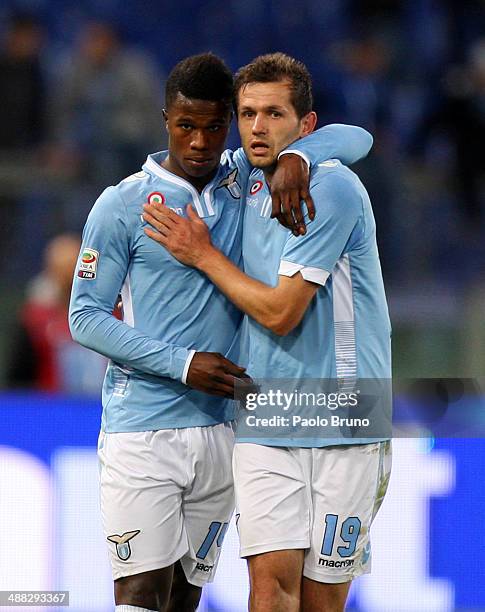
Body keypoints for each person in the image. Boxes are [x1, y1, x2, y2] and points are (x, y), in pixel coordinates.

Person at [69, 52, 373, 612]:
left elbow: (355, 137)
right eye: (187, 126)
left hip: (226, 426)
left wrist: (301, 157)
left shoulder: (246, 179)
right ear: (164, 120)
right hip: (144, 425)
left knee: (187, 597)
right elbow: (84, 317)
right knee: (139, 595)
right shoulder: (121, 204)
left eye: (214, 127)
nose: (202, 143)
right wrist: (182, 364)